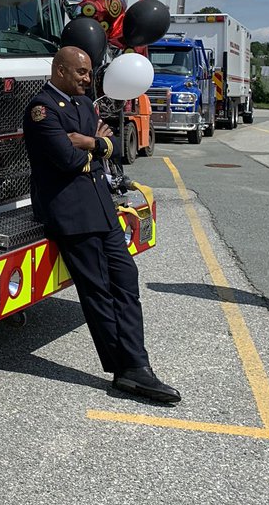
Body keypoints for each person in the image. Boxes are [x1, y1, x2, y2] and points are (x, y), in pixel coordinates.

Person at [22, 45, 181, 404]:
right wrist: (97, 146)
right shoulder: (41, 109)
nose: (87, 78)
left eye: (89, 72)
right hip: (72, 216)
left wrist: (92, 143)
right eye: (80, 72)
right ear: (60, 70)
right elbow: (66, 159)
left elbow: (112, 148)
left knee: (126, 279)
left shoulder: (81, 104)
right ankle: (127, 371)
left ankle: (137, 364)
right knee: (98, 292)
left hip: (101, 210)